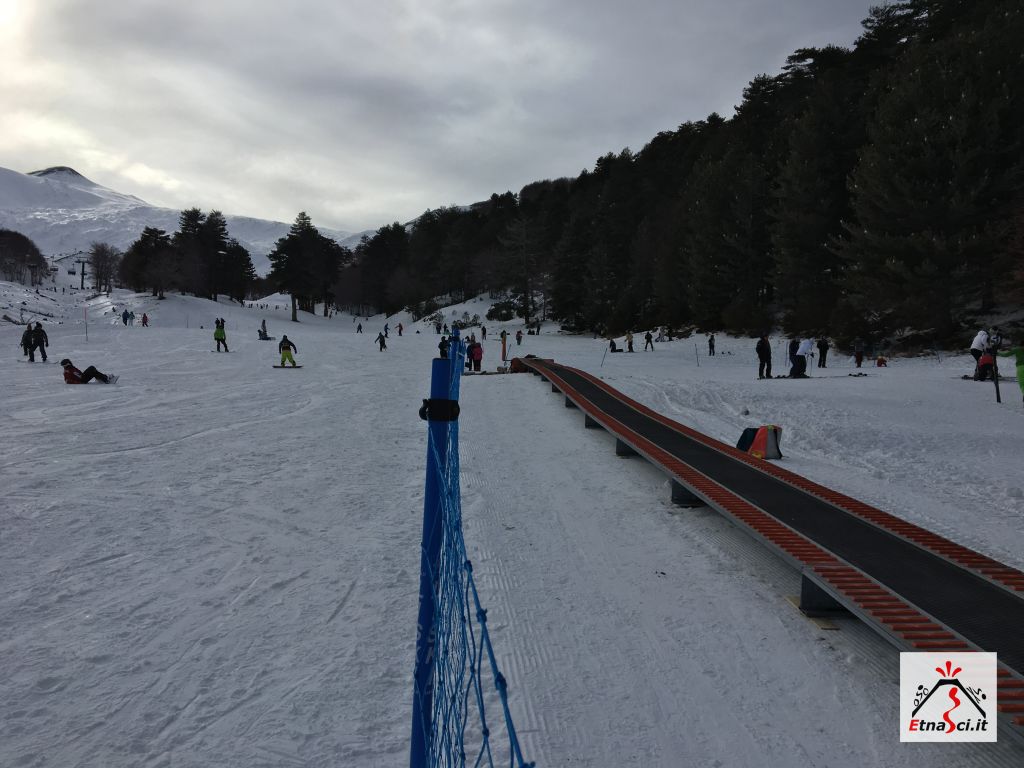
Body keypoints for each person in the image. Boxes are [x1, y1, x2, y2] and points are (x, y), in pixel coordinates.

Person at [997, 341, 1024, 407]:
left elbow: (1005, 355)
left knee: (1022, 383)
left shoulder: (1017, 349)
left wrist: (997, 353)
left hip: (1021, 368)